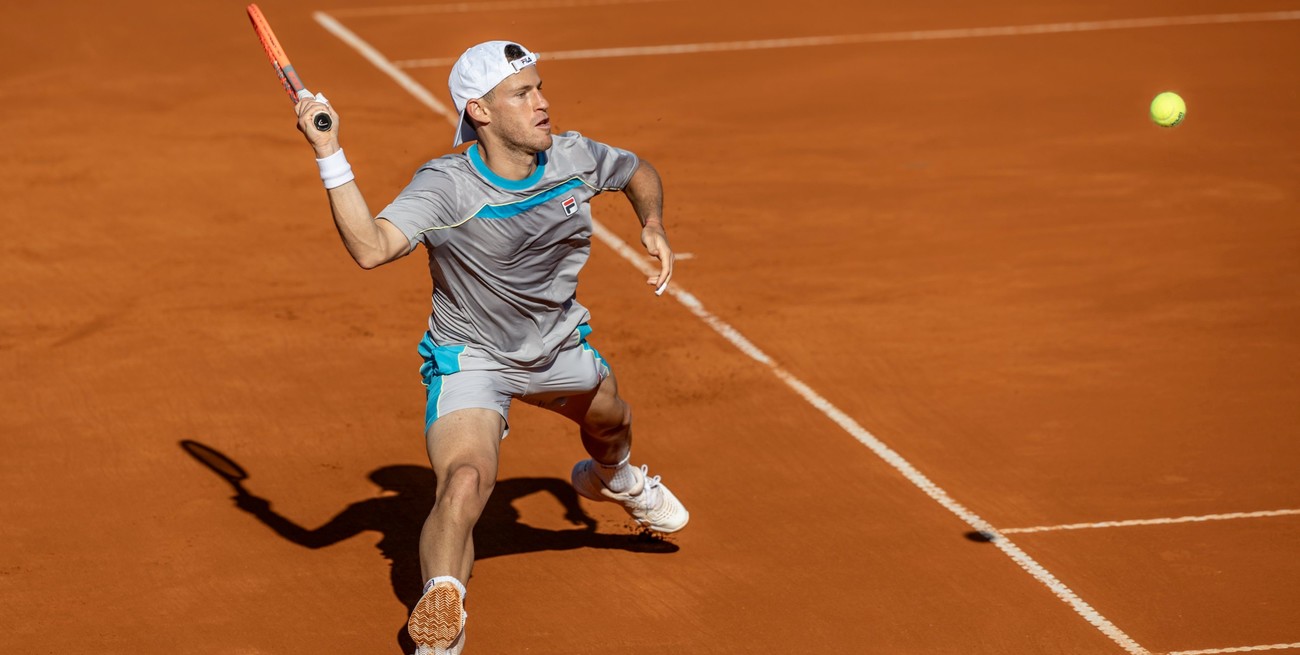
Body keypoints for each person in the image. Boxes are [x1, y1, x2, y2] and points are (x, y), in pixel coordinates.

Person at [291, 40, 689, 655]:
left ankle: (614, 478)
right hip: (473, 356)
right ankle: (441, 620)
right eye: (523, 93)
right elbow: (371, 247)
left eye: (539, 87)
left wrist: (654, 224)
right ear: (479, 110)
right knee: (465, 481)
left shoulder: (572, 156)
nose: (543, 103)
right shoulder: (447, 187)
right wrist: (329, 152)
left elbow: (637, 171)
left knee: (613, 422)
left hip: (557, 345)